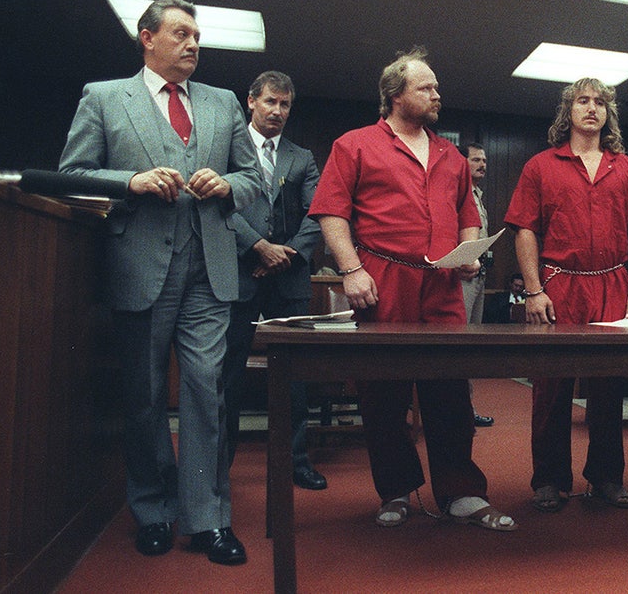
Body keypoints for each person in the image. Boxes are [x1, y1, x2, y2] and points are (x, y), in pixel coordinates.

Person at [58, 0, 260, 564]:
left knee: (203, 392)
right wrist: (132, 181)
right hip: (140, 266)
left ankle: (207, 520)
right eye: (180, 33)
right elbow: (72, 174)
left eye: (197, 35)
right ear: (146, 38)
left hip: (209, 271)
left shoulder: (222, 104)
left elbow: (253, 180)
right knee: (144, 396)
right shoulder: (103, 98)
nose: (193, 44)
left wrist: (227, 185)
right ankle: (152, 509)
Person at [308, 47, 516, 531]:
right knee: (383, 392)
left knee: (451, 392)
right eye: (426, 87)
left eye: (436, 87)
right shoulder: (354, 145)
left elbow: (468, 217)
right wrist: (351, 269)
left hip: (443, 286)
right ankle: (397, 490)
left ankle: (460, 492)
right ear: (394, 94)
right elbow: (331, 212)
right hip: (382, 280)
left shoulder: (450, 155)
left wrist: (469, 255)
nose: (437, 94)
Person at [505, 77, 628, 513]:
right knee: (551, 386)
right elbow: (525, 229)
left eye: (600, 102)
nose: (591, 108)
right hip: (557, 284)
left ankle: (606, 477)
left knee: (608, 386)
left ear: (608, 113)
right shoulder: (541, 166)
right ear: (567, 111)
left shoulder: (625, 168)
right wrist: (533, 290)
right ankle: (549, 479)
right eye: (582, 101)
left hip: (612, 283)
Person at [221, 71, 328, 490]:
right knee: (226, 374)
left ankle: (295, 461)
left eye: (284, 105)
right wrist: (257, 247)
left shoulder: (302, 158)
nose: (277, 112)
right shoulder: (229, 151)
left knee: (294, 376)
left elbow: (319, 212)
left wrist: (287, 255)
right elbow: (219, 206)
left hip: (289, 278)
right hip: (240, 272)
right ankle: (218, 467)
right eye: (270, 102)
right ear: (251, 102)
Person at [459, 142, 495, 427]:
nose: (482, 164)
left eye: (484, 160)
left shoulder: (478, 195)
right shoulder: (459, 193)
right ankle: (458, 410)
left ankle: (466, 409)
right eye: (476, 160)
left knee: (470, 344)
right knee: (460, 342)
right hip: (463, 276)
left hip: (480, 274)